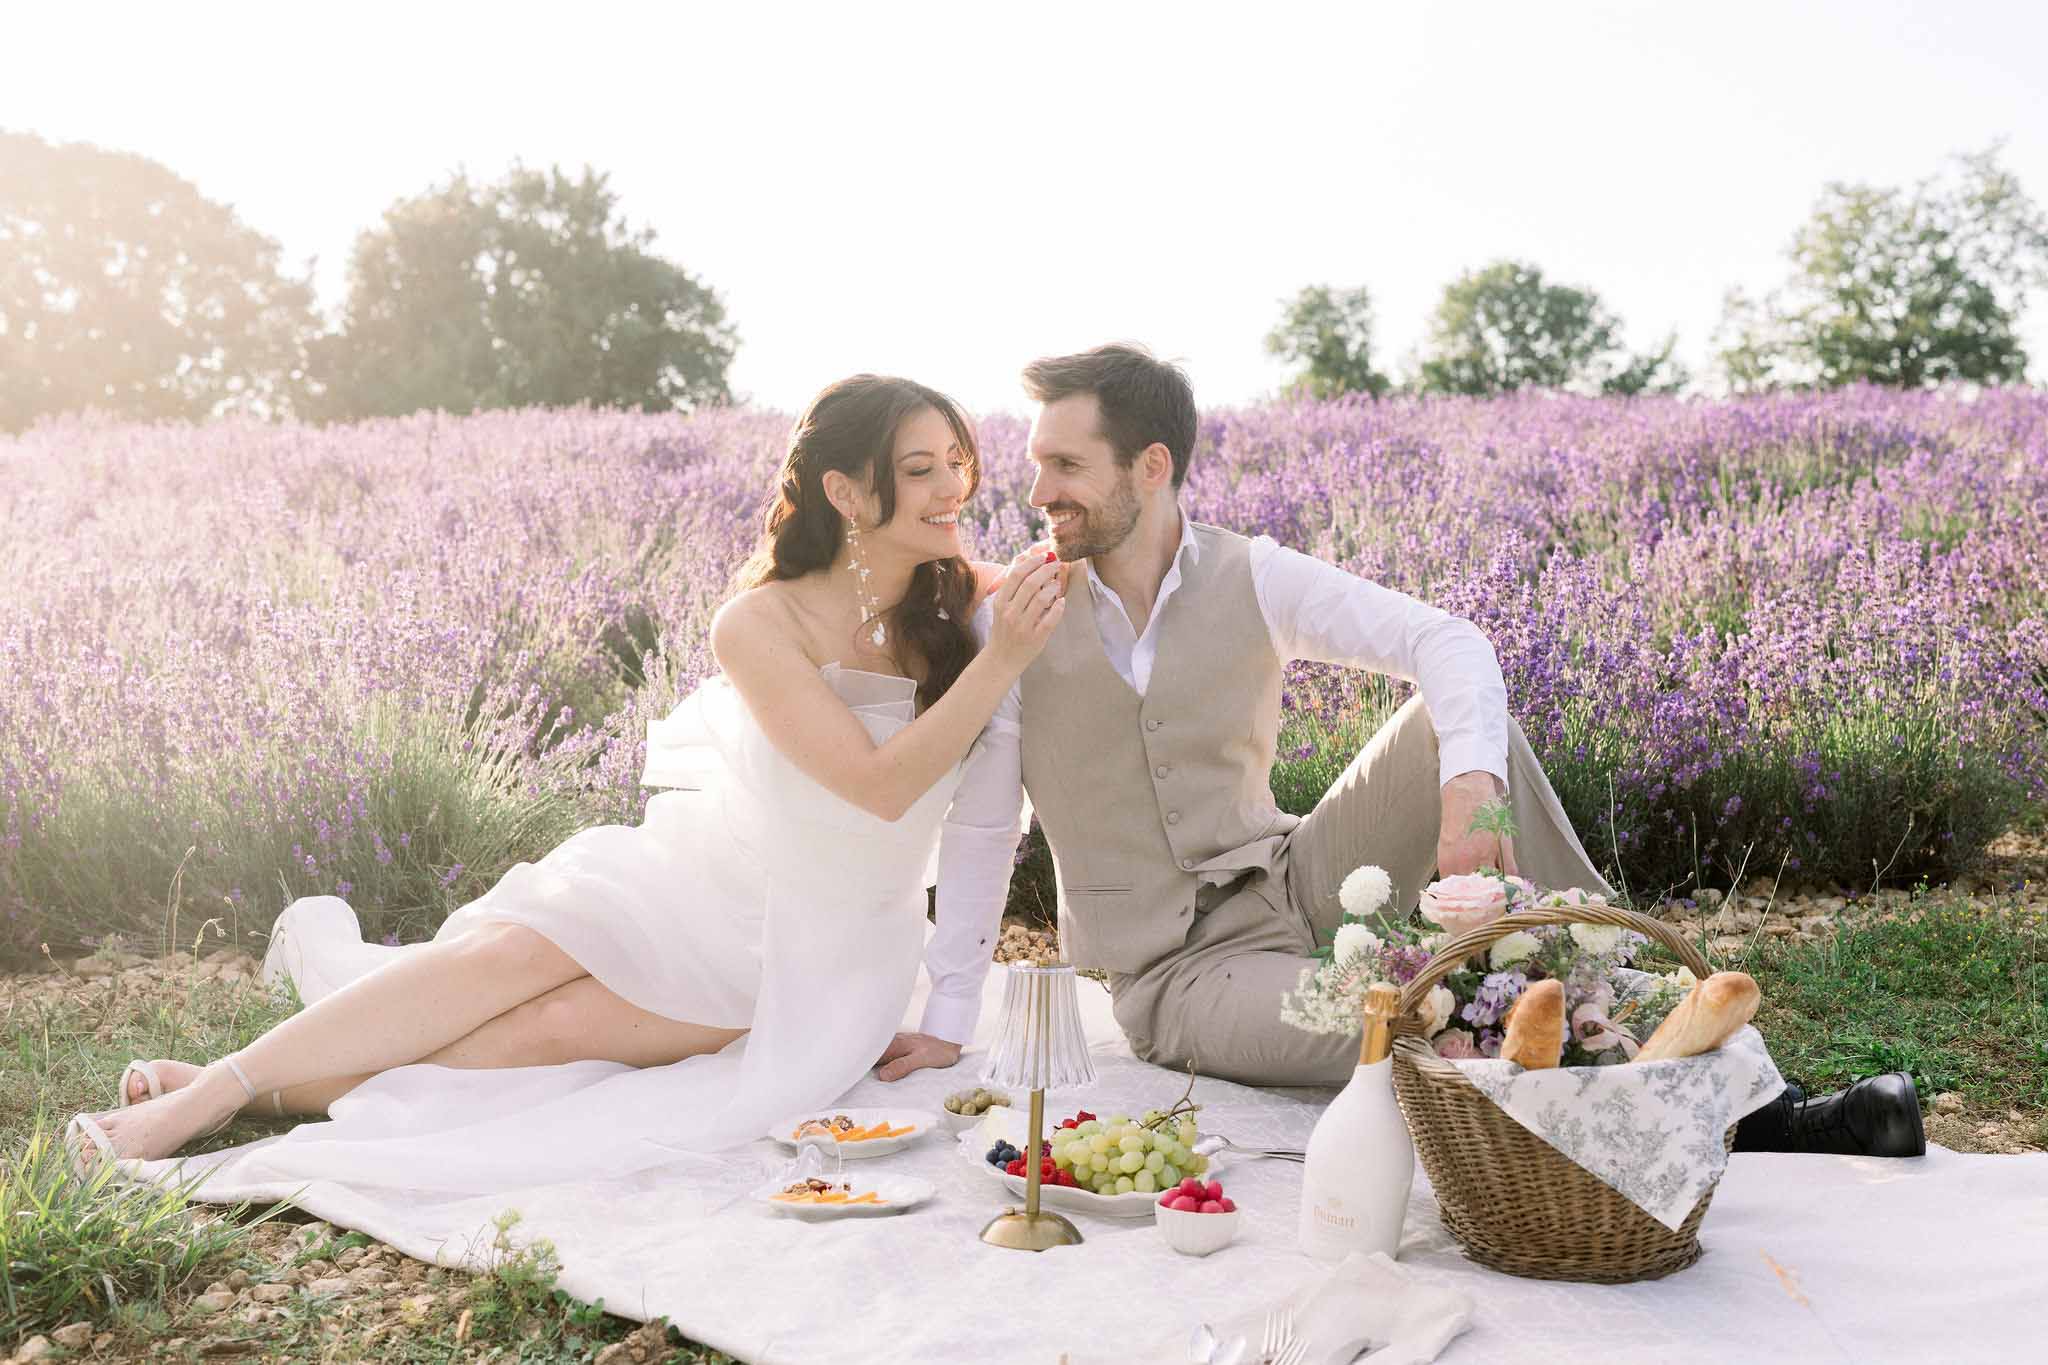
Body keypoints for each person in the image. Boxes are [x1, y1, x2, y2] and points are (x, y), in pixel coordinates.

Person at [875, 343, 1923, 1158]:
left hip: (1292, 877)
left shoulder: (1253, 574)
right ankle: (1680, 1104)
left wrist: (1469, 788)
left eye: (1064, 464)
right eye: (1033, 465)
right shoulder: (1013, 618)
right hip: (1176, 972)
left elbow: (1446, 641)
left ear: (1149, 468)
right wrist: (951, 1011)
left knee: (1462, 727)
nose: (1037, 490)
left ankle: (1748, 1085)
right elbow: (981, 822)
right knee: (1413, 1012)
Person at [70, 373, 1066, 1179]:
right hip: (703, 877)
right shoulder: (756, 624)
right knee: (502, 961)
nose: (955, 490)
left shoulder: (977, 611)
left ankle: (257, 1093)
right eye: (923, 468)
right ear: (849, 493)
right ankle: (215, 1091)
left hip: (815, 950)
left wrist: (1005, 649)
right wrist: (1001, 664)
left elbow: (970, 812)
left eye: (958, 464)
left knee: (540, 1029)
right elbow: (874, 781)